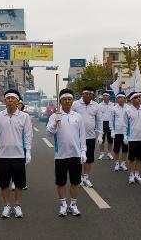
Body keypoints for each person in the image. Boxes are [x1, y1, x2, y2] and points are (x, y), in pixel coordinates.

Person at [0, 89, 33, 218]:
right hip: (3, 156)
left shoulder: (25, 117)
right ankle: (6, 205)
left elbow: (28, 136)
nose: (10, 100)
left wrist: (27, 152)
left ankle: (16, 205)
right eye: (8, 98)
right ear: (5, 101)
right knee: (4, 183)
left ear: (17, 102)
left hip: (18, 155)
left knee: (18, 183)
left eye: (13, 98)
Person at [46, 88, 87, 216]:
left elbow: (82, 136)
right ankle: (63, 204)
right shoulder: (55, 116)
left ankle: (73, 205)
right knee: (61, 182)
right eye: (64, 99)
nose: (67, 101)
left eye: (69, 99)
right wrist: (55, 122)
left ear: (72, 101)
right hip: (61, 156)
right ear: (60, 101)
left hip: (75, 155)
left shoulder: (78, 117)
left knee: (75, 182)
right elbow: (48, 133)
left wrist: (83, 151)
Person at [71, 87, 103, 188]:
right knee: (78, 158)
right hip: (77, 136)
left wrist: (100, 134)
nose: (88, 96)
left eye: (90, 94)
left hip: (90, 136)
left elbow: (99, 120)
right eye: (86, 94)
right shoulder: (75, 104)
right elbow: (69, 117)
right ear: (82, 94)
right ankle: (79, 177)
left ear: (93, 95)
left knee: (89, 159)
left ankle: (86, 177)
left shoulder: (96, 105)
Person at [124, 92, 141, 184]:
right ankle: (131, 175)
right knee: (132, 158)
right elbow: (125, 125)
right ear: (131, 100)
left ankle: (137, 174)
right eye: (136, 98)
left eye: (139, 97)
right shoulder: (128, 111)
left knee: (140, 158)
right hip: (132, 138)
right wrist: (125, 136)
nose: (138, 99)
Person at [110, 92, 130, 171]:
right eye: (118, 98)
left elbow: (130, 121)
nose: (120, 99)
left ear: (125, 99)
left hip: (126, 132)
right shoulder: (114, 108)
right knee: (116, 149)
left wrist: (129, 133)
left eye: (121, 98)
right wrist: (112, 131)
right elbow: (111, 121)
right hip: (117, 132)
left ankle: (123, 163)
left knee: (125, 149)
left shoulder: (129, 108)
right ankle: (117, 163)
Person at [98, 91, 114, 160]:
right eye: (103, 96)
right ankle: (102, 153)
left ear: (109, 97)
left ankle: (109, 153)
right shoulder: (99, 105)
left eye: (106, 95)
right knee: (102, 139)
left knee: (110, 139)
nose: (104, 97)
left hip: (110, 123)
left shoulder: (113, 105)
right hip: (102, 123)